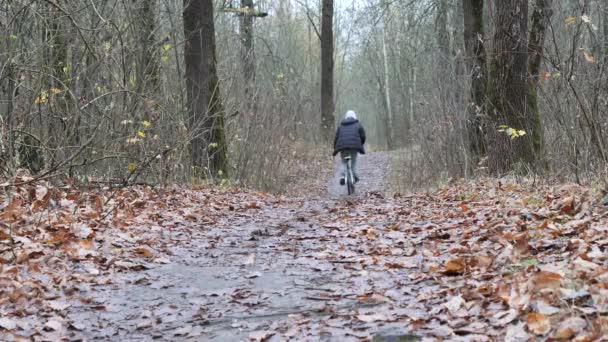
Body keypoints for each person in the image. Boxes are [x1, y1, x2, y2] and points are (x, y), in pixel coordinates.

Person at [333, 110, 366, 185]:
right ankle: (355, 176)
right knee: (353, 162)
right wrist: (361, 144)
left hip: (343, 147)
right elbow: (363, 136)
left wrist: (335, 148)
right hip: (354, 147)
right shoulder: (358, 124)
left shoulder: (340, 126)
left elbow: (336, 138)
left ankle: (342, 176)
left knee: (344, 162)